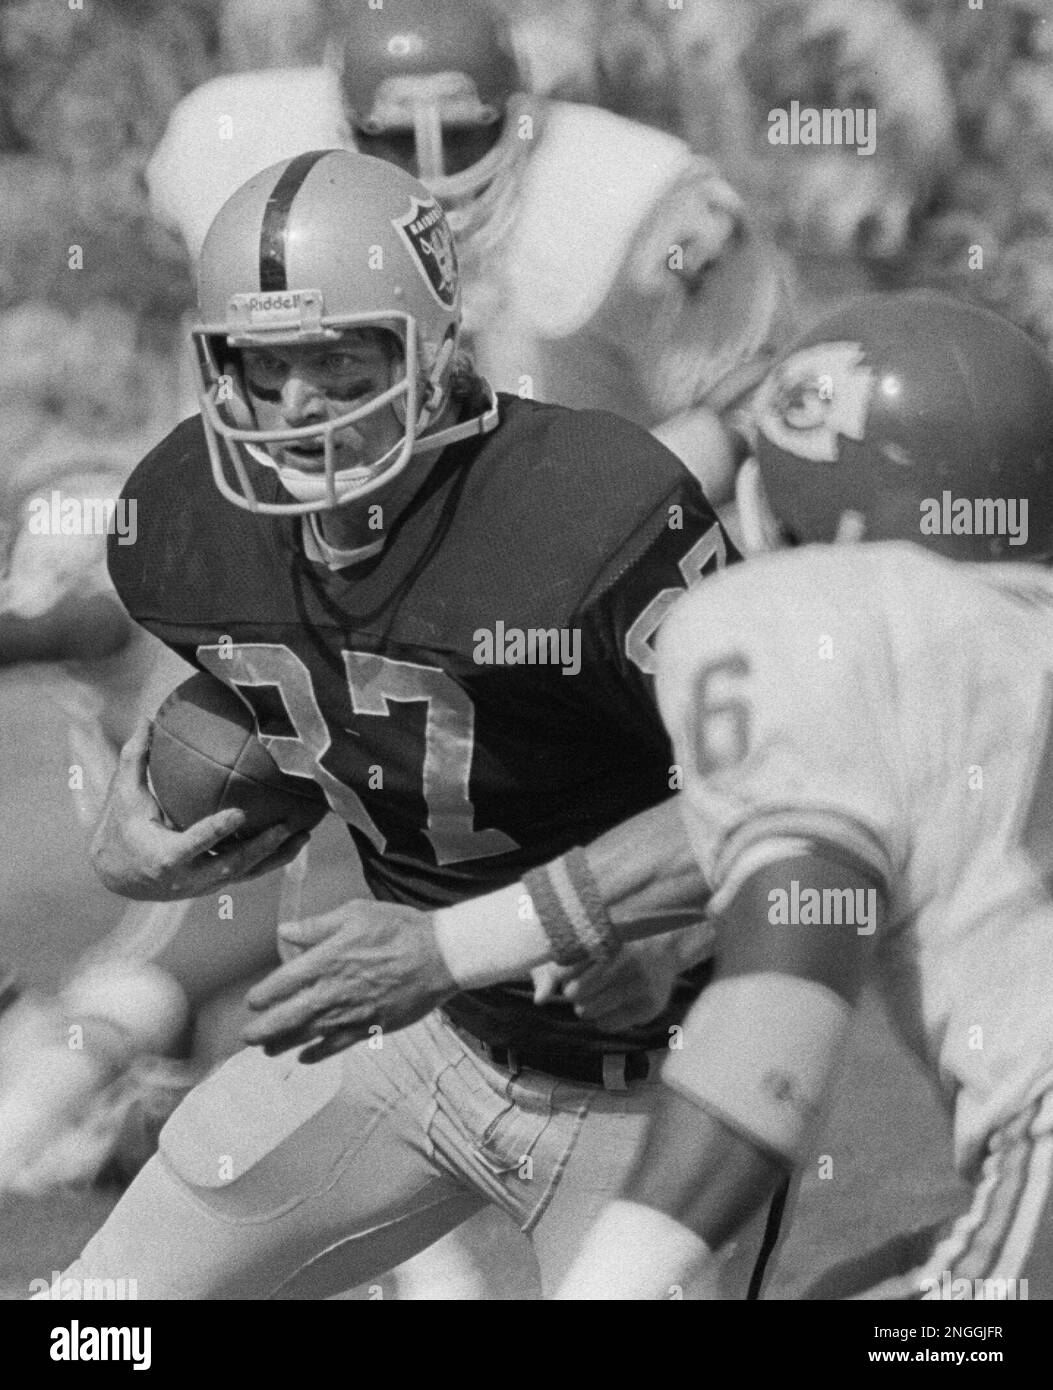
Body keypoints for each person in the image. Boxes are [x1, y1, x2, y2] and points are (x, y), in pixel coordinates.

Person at [49, 149, 775, 1300]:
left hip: (658, 1080)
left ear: (434, 347)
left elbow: (781, 796)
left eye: (340, 358)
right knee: (90, 1318)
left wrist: (672, 937)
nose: (297, 404)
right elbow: (246, 690)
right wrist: (137, 836)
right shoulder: (183, 517)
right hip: (420, 1032)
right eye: (263, 363)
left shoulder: (597, 512)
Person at [244, 290, 1053, 1299]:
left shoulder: (828, 623)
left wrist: (615, 1280)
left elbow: (777, 1013)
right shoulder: (1000, 644)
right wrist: (643, 941)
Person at [147, 0, 788, 497]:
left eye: (460, 136)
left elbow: (752, 402)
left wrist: (619, 516)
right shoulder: (231, 144)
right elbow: (193, 307)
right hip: (312, 501)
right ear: (337, 121)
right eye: (395, 141)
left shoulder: (635, 201)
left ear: (519, 112)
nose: (432, 179)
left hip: (554, 522)